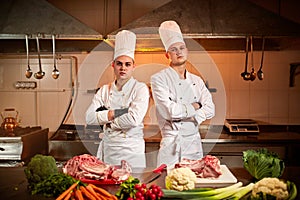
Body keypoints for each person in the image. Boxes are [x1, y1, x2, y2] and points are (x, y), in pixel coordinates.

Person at [150, 20, 215, 167]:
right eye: (174, 49)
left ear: (187, 51)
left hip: (193, 148)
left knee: (193, 186)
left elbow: (210, 109)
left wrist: (195, 116)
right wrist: (196, 105)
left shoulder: (197, 81)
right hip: (170, 150)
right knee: (168, 187)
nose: (179, 52)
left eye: (182, 48)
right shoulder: (158, 79)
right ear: (167, 55)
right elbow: (169, 112)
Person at [85, 30, 150, 168]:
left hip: (133, 153)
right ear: (113, 65)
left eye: (127, 64)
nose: (123, 68)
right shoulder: (104, 90)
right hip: (110, 152)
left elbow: (133, 119)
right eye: (119, 63)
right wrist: (115, 113)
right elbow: (89, 118)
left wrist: (107, 121)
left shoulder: (140, 89)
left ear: (133, 66)